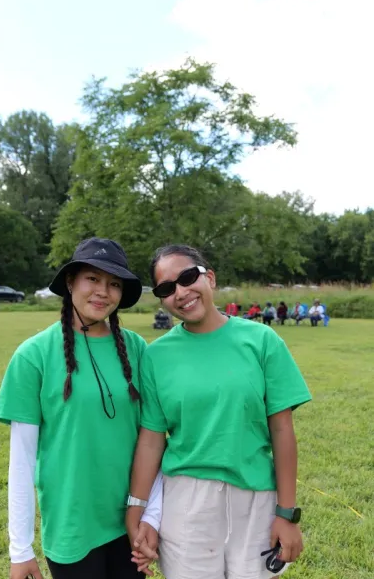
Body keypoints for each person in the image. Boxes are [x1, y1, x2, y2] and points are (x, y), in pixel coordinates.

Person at [126, 244, 311, 579]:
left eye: (187, 277)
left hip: (256, 499)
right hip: (186, 505)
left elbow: (282, 429)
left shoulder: (262, 341)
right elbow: (152, 440)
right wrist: (138, 510)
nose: (181, 292)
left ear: (209, 277)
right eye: (167, 289)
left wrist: (287, 514)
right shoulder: (155, 356)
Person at [0, 238, 161, 579]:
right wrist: (20, 550)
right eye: (92, 279)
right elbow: (22, 460)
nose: (103, 292)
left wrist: (151, 515)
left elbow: (154, 438)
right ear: (70, 283)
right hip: (72, 526)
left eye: (114, 284)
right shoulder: (34, 355)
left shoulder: (137, 349)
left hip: (131, 522)